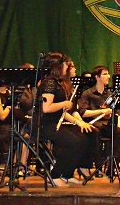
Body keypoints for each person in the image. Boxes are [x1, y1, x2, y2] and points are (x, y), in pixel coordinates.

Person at [39, 52, 95, 187]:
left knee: (82, 139)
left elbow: (62, 113)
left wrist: (78, 122)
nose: (67, 67)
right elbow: (46, 108)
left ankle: (68, 174)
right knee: (73, 143)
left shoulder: (57, 83)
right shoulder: (49, 83)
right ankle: (55, 175)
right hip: (44, 126)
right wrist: (64, 104)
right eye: (65, 64)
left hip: (54, 123)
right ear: (57, 66)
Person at [77, 65, 120, 175]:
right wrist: (101, 111)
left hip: (106, 124)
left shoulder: (109, 95)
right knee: (95, 133)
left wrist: (119, 116)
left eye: (108, 74)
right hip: (93, 124)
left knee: (119, 132)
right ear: (97, 77)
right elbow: (83, 113)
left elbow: (117, 110)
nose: (108, 76)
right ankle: (98, 166)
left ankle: (112, 167)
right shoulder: (87, 94)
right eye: (105, 74)